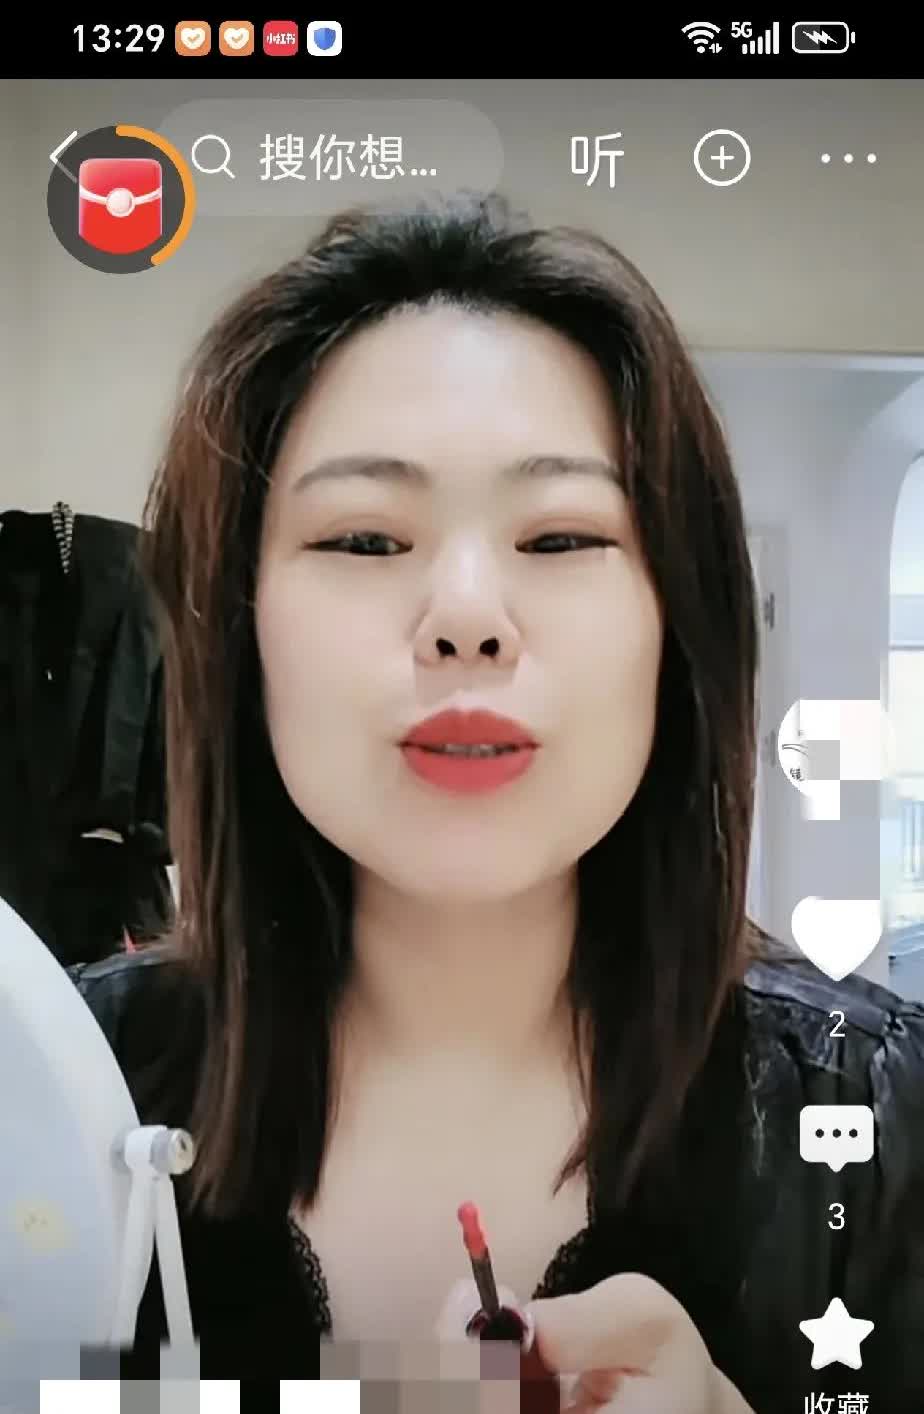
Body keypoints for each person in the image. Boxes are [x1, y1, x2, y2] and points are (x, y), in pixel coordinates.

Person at [68, 191, 924, 1410]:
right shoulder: (50, 1086)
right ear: (240, 631)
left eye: (562, 538)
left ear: (678, 625)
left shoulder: (879, 1115)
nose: (466, 615)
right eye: (366, 540)